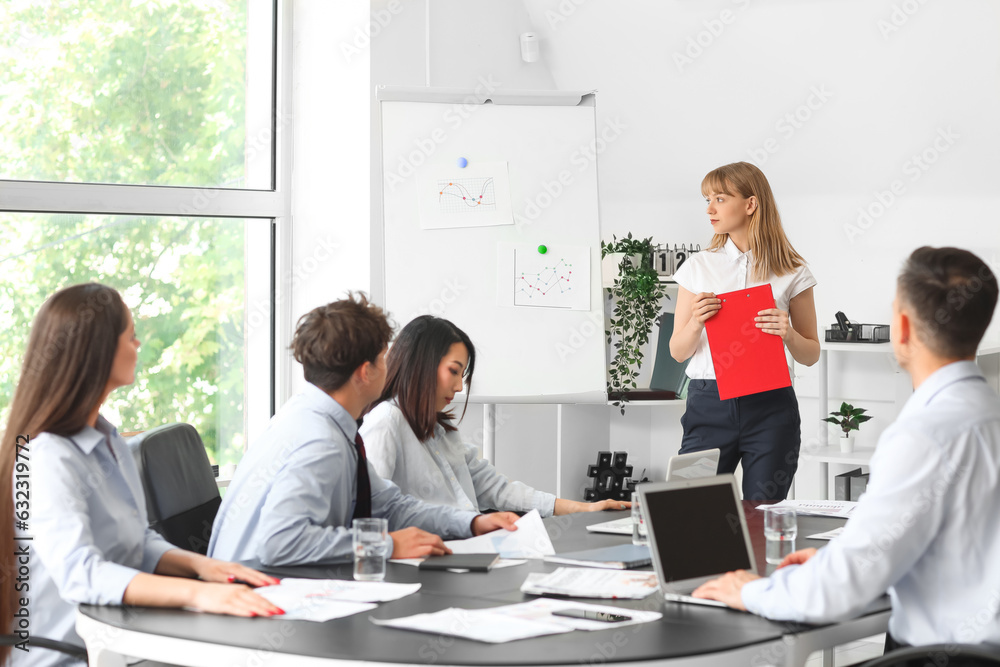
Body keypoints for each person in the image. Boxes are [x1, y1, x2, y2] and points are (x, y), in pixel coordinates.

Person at [693, 247, 1000, 654]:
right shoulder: (984, 414)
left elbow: (840, 591)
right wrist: (828, 563)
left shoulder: (923, 435)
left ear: (902, 327)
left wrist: (751, 591)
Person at [0, 284, 282, 667]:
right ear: (97, 351)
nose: (138, 344)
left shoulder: (111, 440)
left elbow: (138, 541)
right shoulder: (46, 458)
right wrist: (194, 594)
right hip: (73, 658)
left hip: (126, 644)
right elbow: (81, 574)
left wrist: (202, 566)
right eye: (130, 335)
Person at [208, 294, 518, 567]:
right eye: (384, 358)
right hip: (256, 595)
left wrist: (473, 523)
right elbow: (280, 542)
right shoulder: (319, 440)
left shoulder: (322, 421)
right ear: (365, 372)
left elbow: (389, 505)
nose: (391, 366)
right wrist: (389, 545)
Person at [360, 315, 631, 516]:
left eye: (462, 375)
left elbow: (496, 488)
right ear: (422, 364)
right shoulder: (386, 422)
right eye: (453, 371)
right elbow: (373, 513)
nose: (458, 387)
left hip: (464, 550)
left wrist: (583, 509)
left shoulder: (441, 431)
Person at [669, 161, 819, 501]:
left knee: (763, 515)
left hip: (770, 406)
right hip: (709, 403)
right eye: (707, 199)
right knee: (690, 508)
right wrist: (696, 322)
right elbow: (678, 352)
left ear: (750, 204)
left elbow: (811, 354)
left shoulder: (792, 270)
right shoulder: (697, 267)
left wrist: (788, 333)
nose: (709, 209)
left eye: (720, 198)